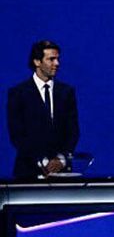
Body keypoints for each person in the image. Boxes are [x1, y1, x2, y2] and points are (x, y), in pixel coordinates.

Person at [6, 40, 80, 179]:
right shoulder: (18, 94)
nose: (57, 64)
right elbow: (17, 135)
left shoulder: (66, 92)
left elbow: (72, 131)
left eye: (57, 59)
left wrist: (61, 160)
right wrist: (43, 162)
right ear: (37, 62)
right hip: (28, 173)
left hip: (62, 174)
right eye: (51, 59)